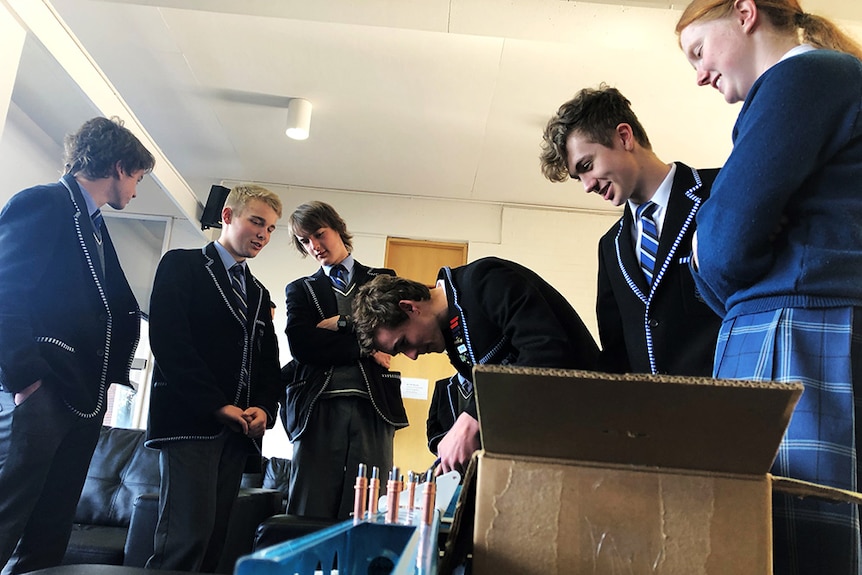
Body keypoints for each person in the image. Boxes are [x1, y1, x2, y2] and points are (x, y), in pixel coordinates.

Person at [675, 1, 862, 572]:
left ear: (745, 13)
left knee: (787, 541)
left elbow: (724, 246)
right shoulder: (827, 78)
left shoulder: (803, 76)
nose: (700, 74)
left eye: (699, 51)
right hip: (803, 326)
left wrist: (709, 244)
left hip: (792, 330)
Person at [0, 116, 153, 574]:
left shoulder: (92, 223)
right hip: (43, 391)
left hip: (79, 396)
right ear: (120, 166)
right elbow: (5, 292)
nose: (137, 190)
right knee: (8, 513)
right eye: (139, 178)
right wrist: (27, 381)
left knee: (52, 523)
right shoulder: (44, 203)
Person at [352, 256, 599, 474]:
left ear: (409, 308)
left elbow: (548, 352)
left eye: (403, 343)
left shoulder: (485, 280)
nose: (413, 356)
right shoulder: (454, 343)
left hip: (593, 432)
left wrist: (472, 418)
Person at [145, 184, 283, 572]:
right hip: (190, 423)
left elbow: (268, 364)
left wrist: (265, 409)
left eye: (271, 228)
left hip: (238, 434)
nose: (263, 234)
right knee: (184, 541)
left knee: (213, 543)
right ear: (227, 216)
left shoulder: (258, 292)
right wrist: (216, 404)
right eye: (257, 222)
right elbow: (170, 342)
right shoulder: (182, 265)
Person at [540, 85, 721, 376]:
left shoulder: (720, 190)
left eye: (587, 165)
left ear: (624, 137)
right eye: (579, 178)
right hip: (652, 416)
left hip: (734, 405)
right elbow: (617, 351)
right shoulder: (610, 246)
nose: (587, 185)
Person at [283, 201, 407, 520]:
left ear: (337, 228)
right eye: (304, 241)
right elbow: (303, 346)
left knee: (370, 508)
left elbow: (391, 331)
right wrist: (363, 345)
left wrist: (339, 324)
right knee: (309, 509)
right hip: (318, 406)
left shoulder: (382, 279)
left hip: (374, 406)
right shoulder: (300, 290)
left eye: (319, 234)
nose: (314, 246)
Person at [426, 373, 472, 456]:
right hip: (446, 456)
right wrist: (444, 448)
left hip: (478, 457)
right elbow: (432, 426)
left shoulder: (486, 387)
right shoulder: (442, 386)